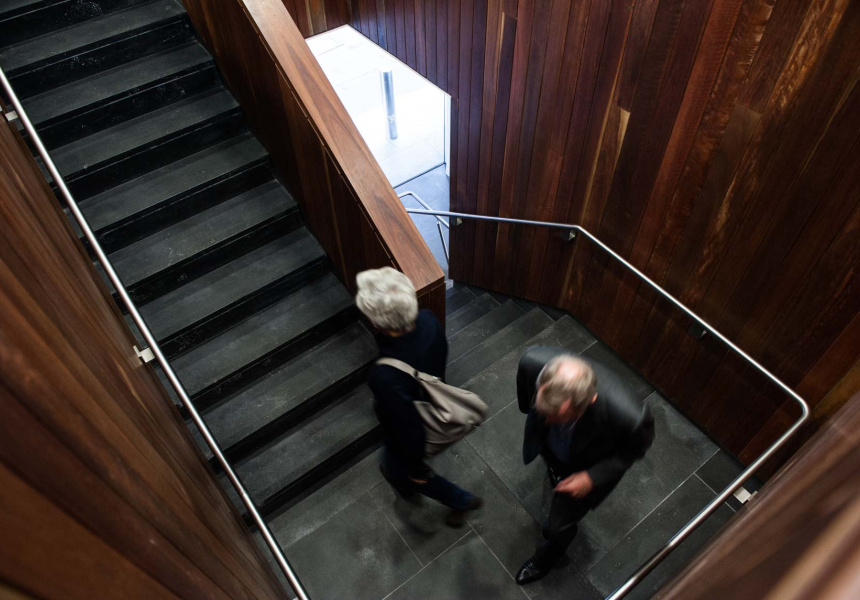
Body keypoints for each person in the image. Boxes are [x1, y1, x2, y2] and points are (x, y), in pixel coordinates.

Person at [515, 346, 655, 584]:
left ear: (588, 402)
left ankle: (547, 558)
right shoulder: (532, 362)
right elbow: (525, 404)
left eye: (557, 417)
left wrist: (591, 477)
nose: (547, 420)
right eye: (543, 410)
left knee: (558, 526)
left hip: (584, 465)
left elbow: (633, 451)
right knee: (551, 472)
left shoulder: (631, 417)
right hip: (553, 450)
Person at [356, 267, 482, 527]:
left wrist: (416, 468)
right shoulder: (429, 320)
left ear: (377, 323)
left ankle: (460, 499)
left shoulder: (384, 376)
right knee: (394, 463)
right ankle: (403, 480)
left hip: (411, 426)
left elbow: (409, 428)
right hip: (431, 396)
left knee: (404, 467)